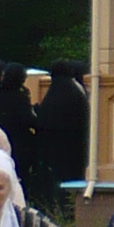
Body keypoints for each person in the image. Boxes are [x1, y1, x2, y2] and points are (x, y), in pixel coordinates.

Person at [28, 61, 89, 216]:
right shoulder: (77, 92)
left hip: (53, 149)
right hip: (75, 146)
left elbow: (43, 120)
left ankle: (56, 207)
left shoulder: (53, 94)